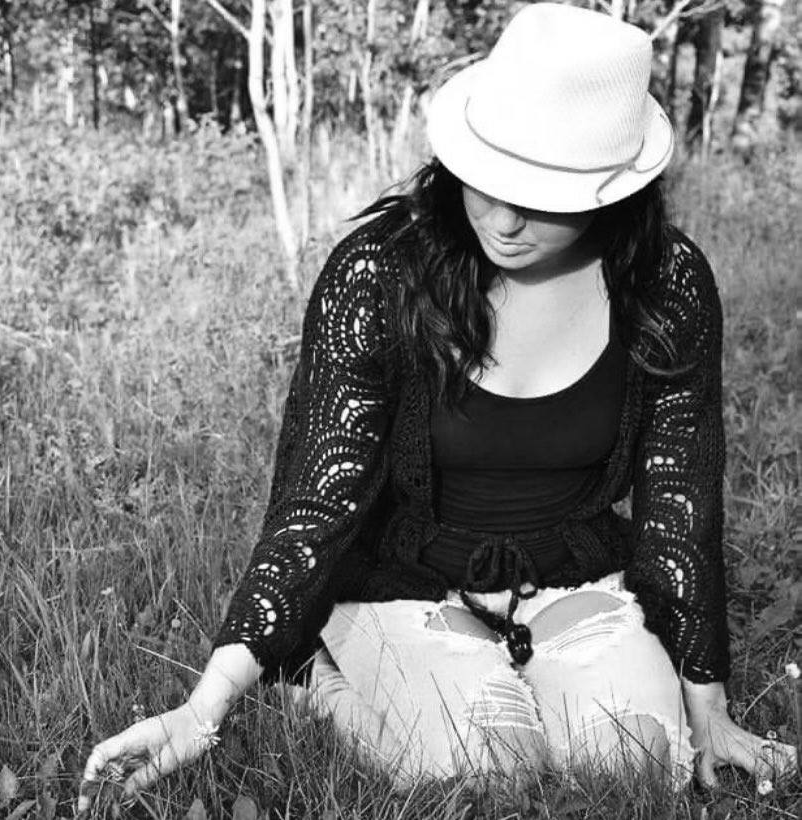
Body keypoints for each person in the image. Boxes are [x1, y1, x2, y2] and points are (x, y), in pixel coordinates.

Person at [79, 3, 797, 808]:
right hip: (404, 580)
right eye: (489, 181)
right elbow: (316, 503)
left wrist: (709, 703)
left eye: (543, 196)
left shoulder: (668, 283)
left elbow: (679, 502)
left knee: (632, 763)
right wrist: (204, 706)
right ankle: (314, 679)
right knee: (488, 768)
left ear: (616, 193)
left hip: (570, 573)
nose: (504, 219)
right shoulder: (380, 274)